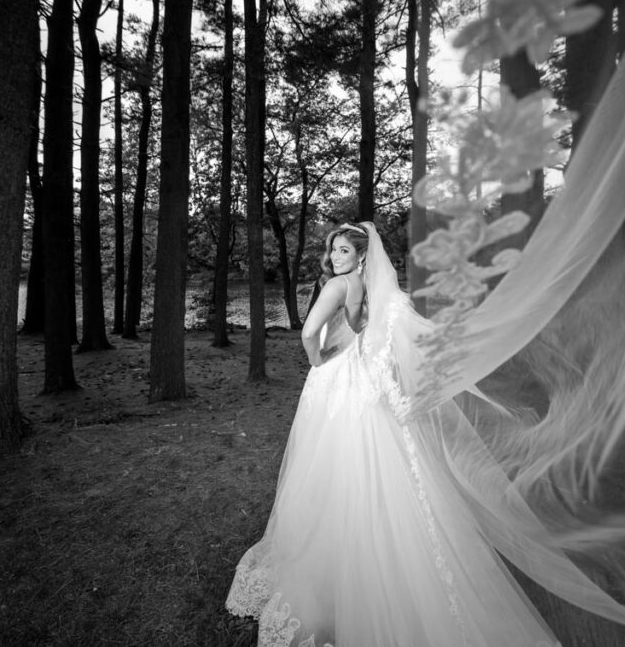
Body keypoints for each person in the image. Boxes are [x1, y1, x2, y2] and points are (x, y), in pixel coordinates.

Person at [226, 222, 582, 645]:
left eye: (342, 250)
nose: (335, 257)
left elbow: (307, 334)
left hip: (335, 380)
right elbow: (367, 334)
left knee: (324, 467)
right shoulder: (369, 288)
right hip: (359, 380)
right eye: (333, 250)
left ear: (360, 255)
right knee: (362, 464)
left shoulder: (338, 286)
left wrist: (318, 362)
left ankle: (327, 572)